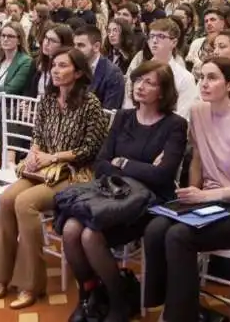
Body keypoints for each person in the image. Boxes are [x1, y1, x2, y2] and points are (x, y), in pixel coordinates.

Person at [143, 58, 230, 322]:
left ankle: (179, 317)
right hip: (211, 200)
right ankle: (166, 303)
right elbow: (199, 158)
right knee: (155, 227)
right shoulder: (198, 111)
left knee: (178, 236)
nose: (204, 83)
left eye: (212, 78)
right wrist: (193, 191)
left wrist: (206, 195)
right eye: (202, 77)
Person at [62, 61, 187, 322]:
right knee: (71, 228)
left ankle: (118, 300)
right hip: (111, 195)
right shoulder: (123, 117)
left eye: (149, 82)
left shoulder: (174, 125)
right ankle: (88, 295)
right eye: (139, 80)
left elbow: (162, 175)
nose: (141, 86)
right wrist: (135, 167)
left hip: (148, 202)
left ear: (163, 91)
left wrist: (124, 163)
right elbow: (100, 164)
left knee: (89, 236)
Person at [0, 48, 109, 309]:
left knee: (25, 203)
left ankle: (32, 284)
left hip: (77, 174)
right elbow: (38, 136)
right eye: (54, 65)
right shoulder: (47, 100)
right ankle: (1, 277)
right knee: (7, 198)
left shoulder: (91, 104)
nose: (55, 70)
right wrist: (34, 153)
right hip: (44, 169)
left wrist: (54, 157)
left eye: (63, 66)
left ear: (77, 72)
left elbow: (91, 150)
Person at [73, 25, 125, 110]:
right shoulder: (72, 67)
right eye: (74, 45)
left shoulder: (113, 74)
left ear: (96, 47)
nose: (75, 50)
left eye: (81, 45)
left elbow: (108, 112)